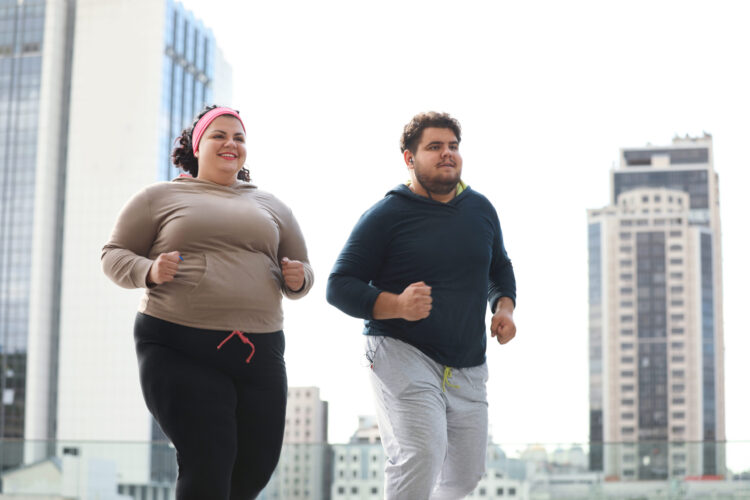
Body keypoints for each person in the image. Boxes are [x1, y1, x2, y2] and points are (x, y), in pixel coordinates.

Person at [102, 105, 313, 499]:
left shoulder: (273, 205)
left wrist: (299, 279)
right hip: (179, 345)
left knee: (253, 470)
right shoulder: (158, 197)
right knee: (208, 458)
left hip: (259, 350)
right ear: (197, 146)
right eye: (219, 135)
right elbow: (113, 254)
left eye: (239, 137)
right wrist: (149, 269)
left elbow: (303, 270)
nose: (231, 143)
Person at [326, 111, 516, 499]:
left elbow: (499, 266)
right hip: (401, 351)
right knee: (420, 455)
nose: (447, 154)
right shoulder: (387, 215)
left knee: (465, 474)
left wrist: (505, 308)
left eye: (453, 146)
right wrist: (394, 304)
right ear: (409, 159)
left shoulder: (480, 209)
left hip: (468, 362)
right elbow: (338, 285)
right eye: (434, 147)